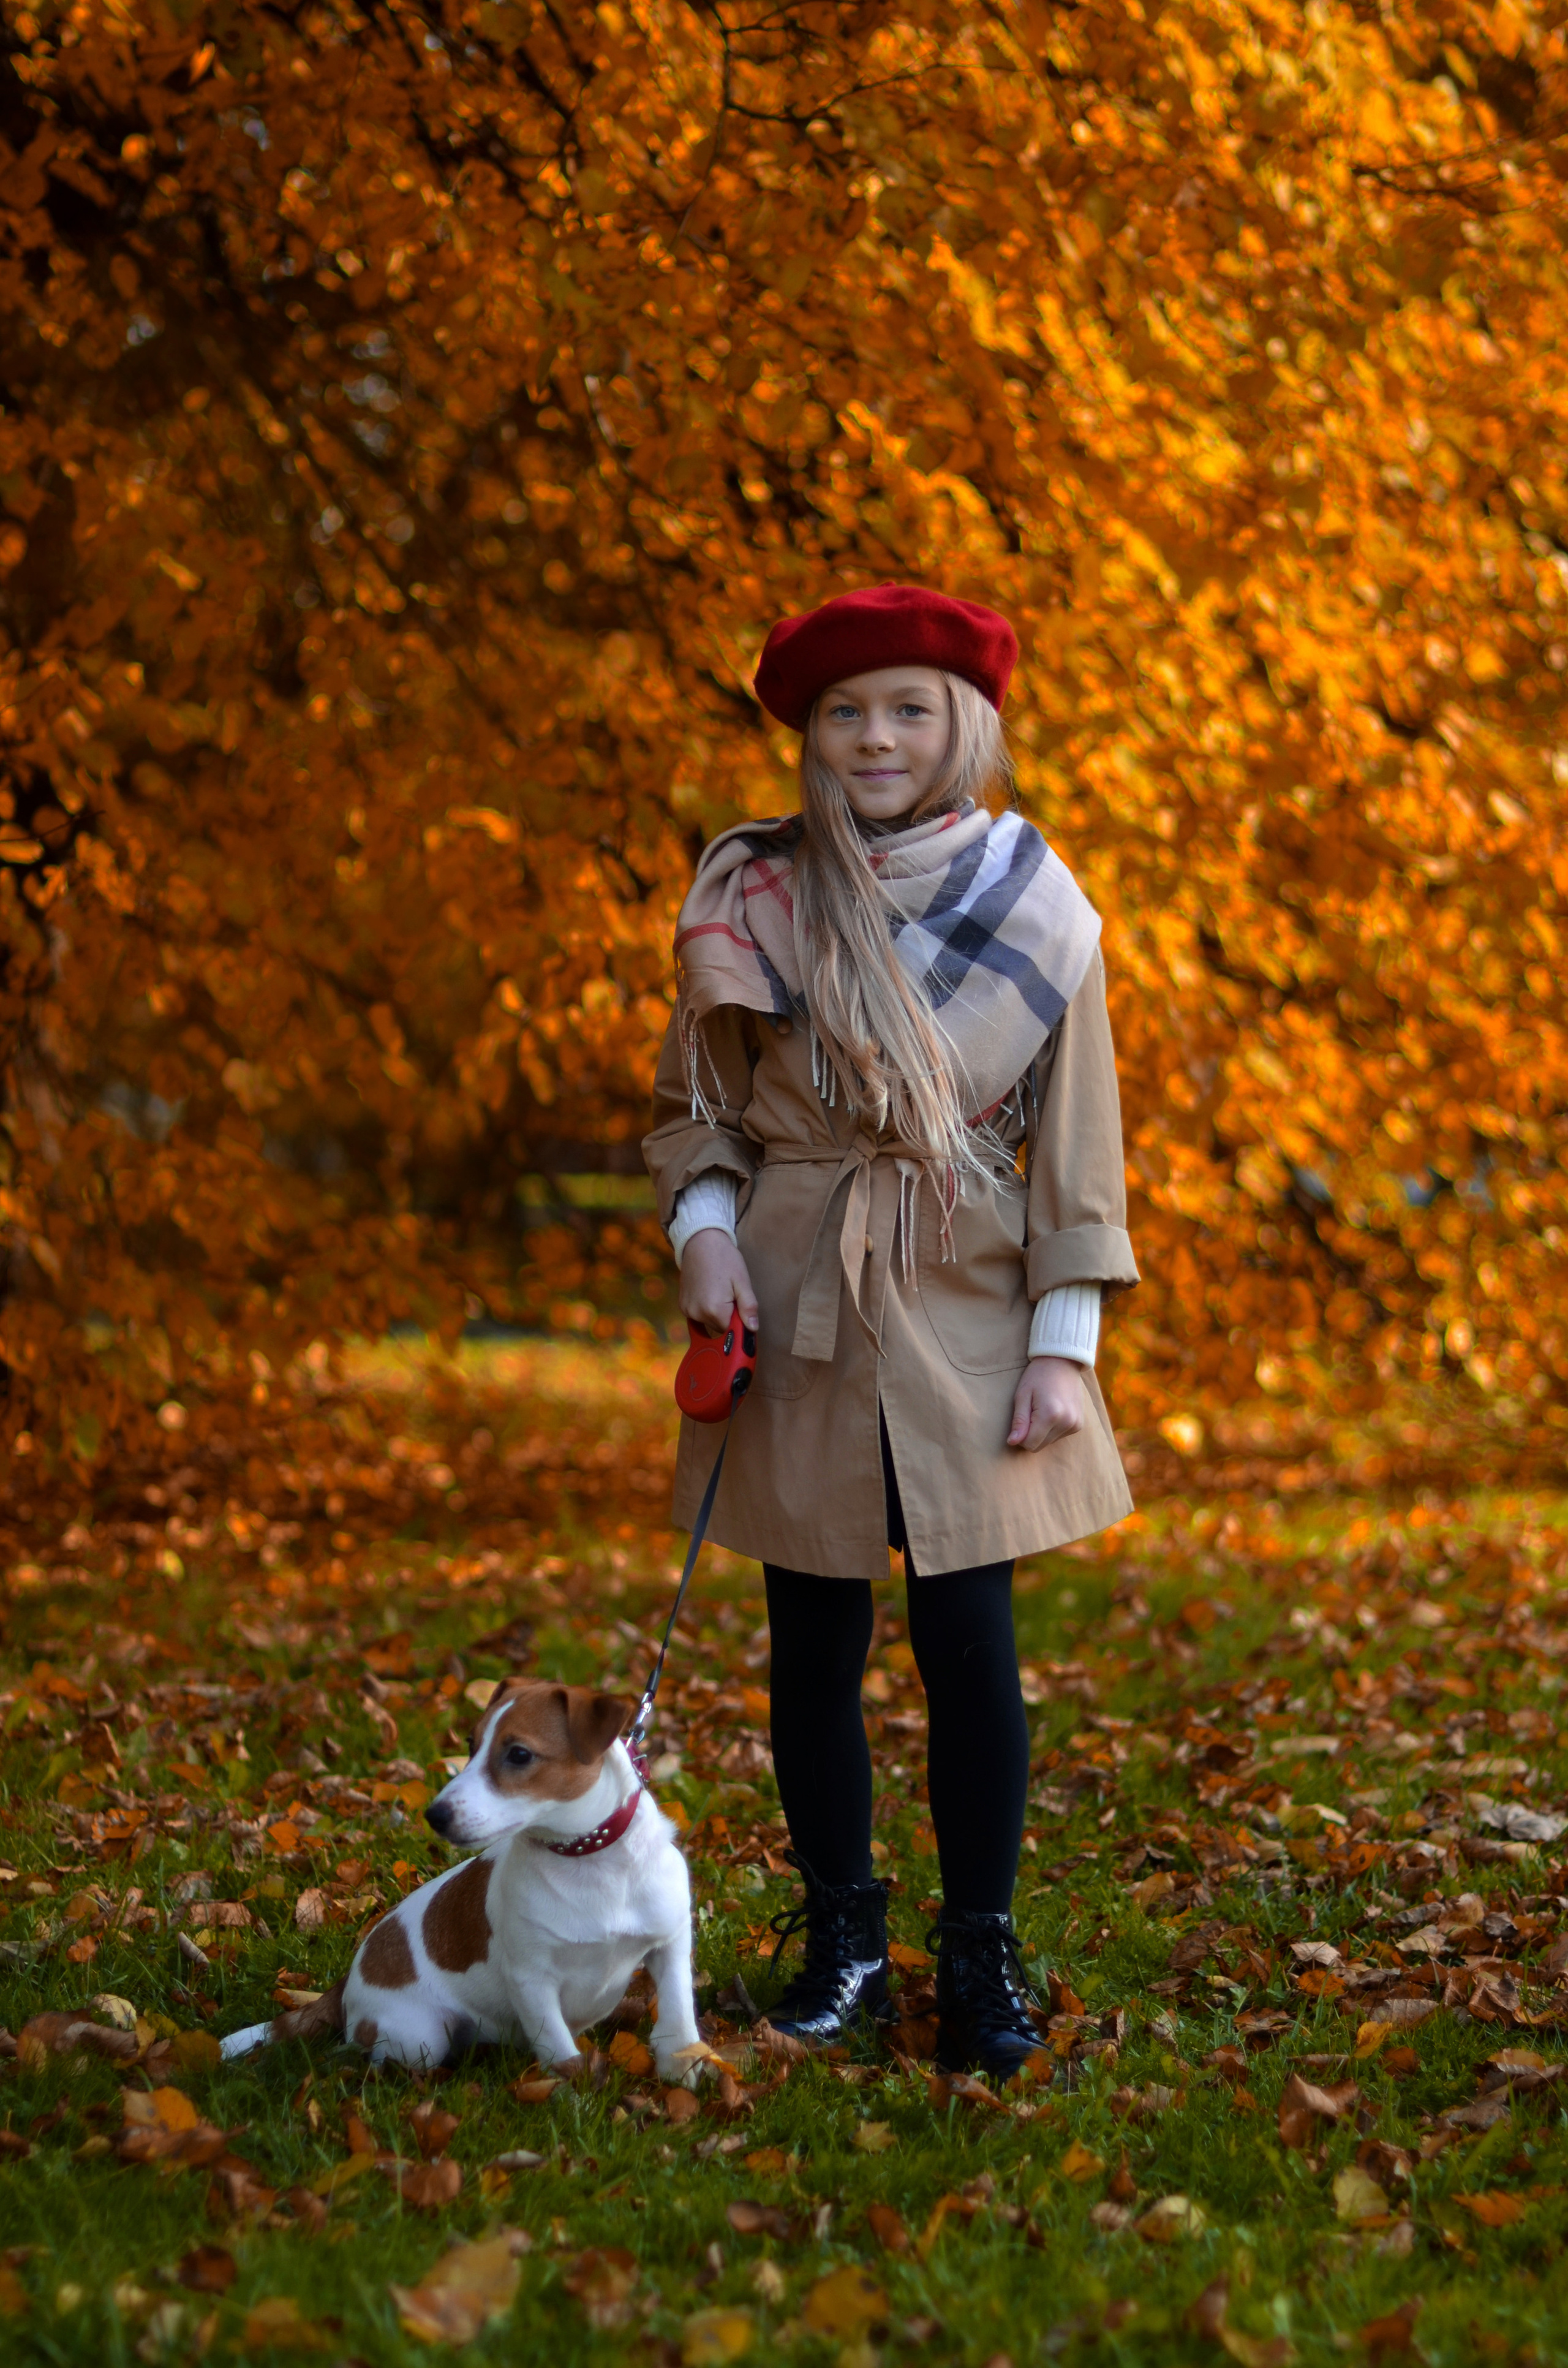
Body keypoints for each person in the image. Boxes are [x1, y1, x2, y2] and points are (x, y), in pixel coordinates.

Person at [641, 584, 1138, 2079]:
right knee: (811, 1635)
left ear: (959, 725)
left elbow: (1076, 1137)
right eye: (844, 712)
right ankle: (843, 1944)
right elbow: (695, 1106)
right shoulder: (752, 887)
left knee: (965, 1636)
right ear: (809, 734)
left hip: (962, 1288)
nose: (873, 736)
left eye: (907, 708)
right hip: (792, 1285)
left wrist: (1062, 1341)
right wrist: (706, 1230)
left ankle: (978, 1952)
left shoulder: (1032, 898)